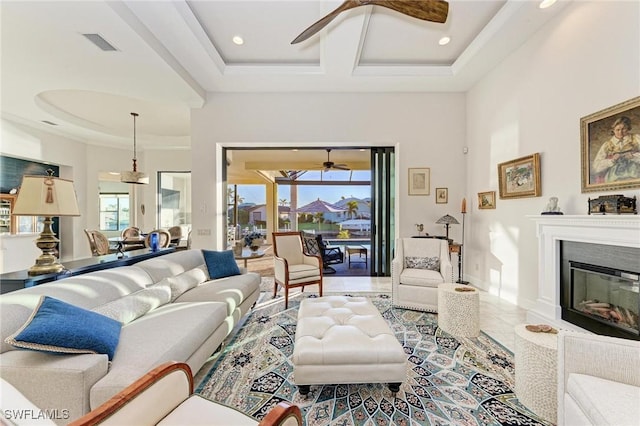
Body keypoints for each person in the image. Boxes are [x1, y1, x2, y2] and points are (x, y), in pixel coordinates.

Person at [591, 116, 640, 183]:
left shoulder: (636, 138)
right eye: (617, 130)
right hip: (613, 178)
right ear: (613, 130)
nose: (620, 132)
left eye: (623, 129)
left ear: (628, 128)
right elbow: (596, 166)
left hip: (635, 174)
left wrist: (634, 157)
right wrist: (612, 160)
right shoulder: (607, 145)